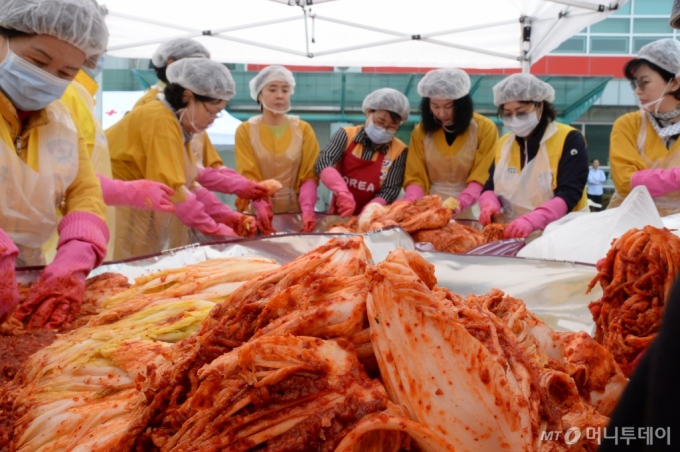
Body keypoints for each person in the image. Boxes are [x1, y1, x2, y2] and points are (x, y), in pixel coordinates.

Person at [0, 0, 109, 329]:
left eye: (65, 73)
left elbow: (83, 188)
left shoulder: (62, 119)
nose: (46, 79)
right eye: (37, 61)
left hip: (26, 275)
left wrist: (80, 249)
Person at [106, 58, 252, 259]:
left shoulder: (178, 124)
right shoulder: (159, 118)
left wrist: (227, 217)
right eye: (211, 112)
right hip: (119, 211)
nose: (212, 121)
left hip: (136, 210)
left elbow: (189, 183)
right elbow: (175, 190)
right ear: (187, 97)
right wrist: (215, 229)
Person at [58, 63, 175, 261]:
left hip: (85, 207)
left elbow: (78, 181)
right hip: (63, 217)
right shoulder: (157, 114)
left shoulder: (77, 94)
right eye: (211, 111)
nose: (212, 118)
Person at [138, 38, 267, 203]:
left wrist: (247, 186)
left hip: (184, 206)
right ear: (171, 65)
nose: (203, 75)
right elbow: (174, 179)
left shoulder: (191, 112)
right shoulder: (155, 111)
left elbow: (210, 166)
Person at [478, 73, 589, 238]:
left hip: (564, 233)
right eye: (508, 114)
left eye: (521, 113)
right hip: (516, 233)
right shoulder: (504, 144)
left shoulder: (569, 139)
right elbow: (490, 187)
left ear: (539, 106)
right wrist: (488, 203)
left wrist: (534, 220)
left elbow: (570, 193)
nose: (514, 119)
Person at [235, 65, 320, 233]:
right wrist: (260, 205)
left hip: (296, 215)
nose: (280, 95)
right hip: (256, 214)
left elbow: (309, 175)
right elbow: (247, 174)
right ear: (259, 95)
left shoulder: (303, 129)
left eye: (285, 90)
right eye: (272, 89)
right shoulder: (245, 130)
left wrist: (308, 208)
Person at [403, 68, 498, 219]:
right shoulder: (421, 131)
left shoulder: (485, 128)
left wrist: (461, 202)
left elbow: (482, 175)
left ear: (462, 104)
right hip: (431, 208)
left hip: (472, 208)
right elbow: (416, 175)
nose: (441, 113)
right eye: (435, 106)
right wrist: (410, 202)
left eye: (448, 106)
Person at [608, 39, 680, 216]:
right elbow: (626, 182)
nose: (637, 91)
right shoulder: (627, 124)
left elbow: (637, 180)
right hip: (631, 228)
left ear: (675, 82)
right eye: (635, 84)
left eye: (644, 82)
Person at [315, 88, 410, 216]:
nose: (383, 130)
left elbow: (390, 190)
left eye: (391, 127)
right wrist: (342, 192)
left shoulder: (399, 151)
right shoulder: (346, 135)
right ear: (369, 112)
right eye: (380, 122)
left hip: (374, 216)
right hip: (340, 213)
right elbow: (324, 162)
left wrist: (370, 210)